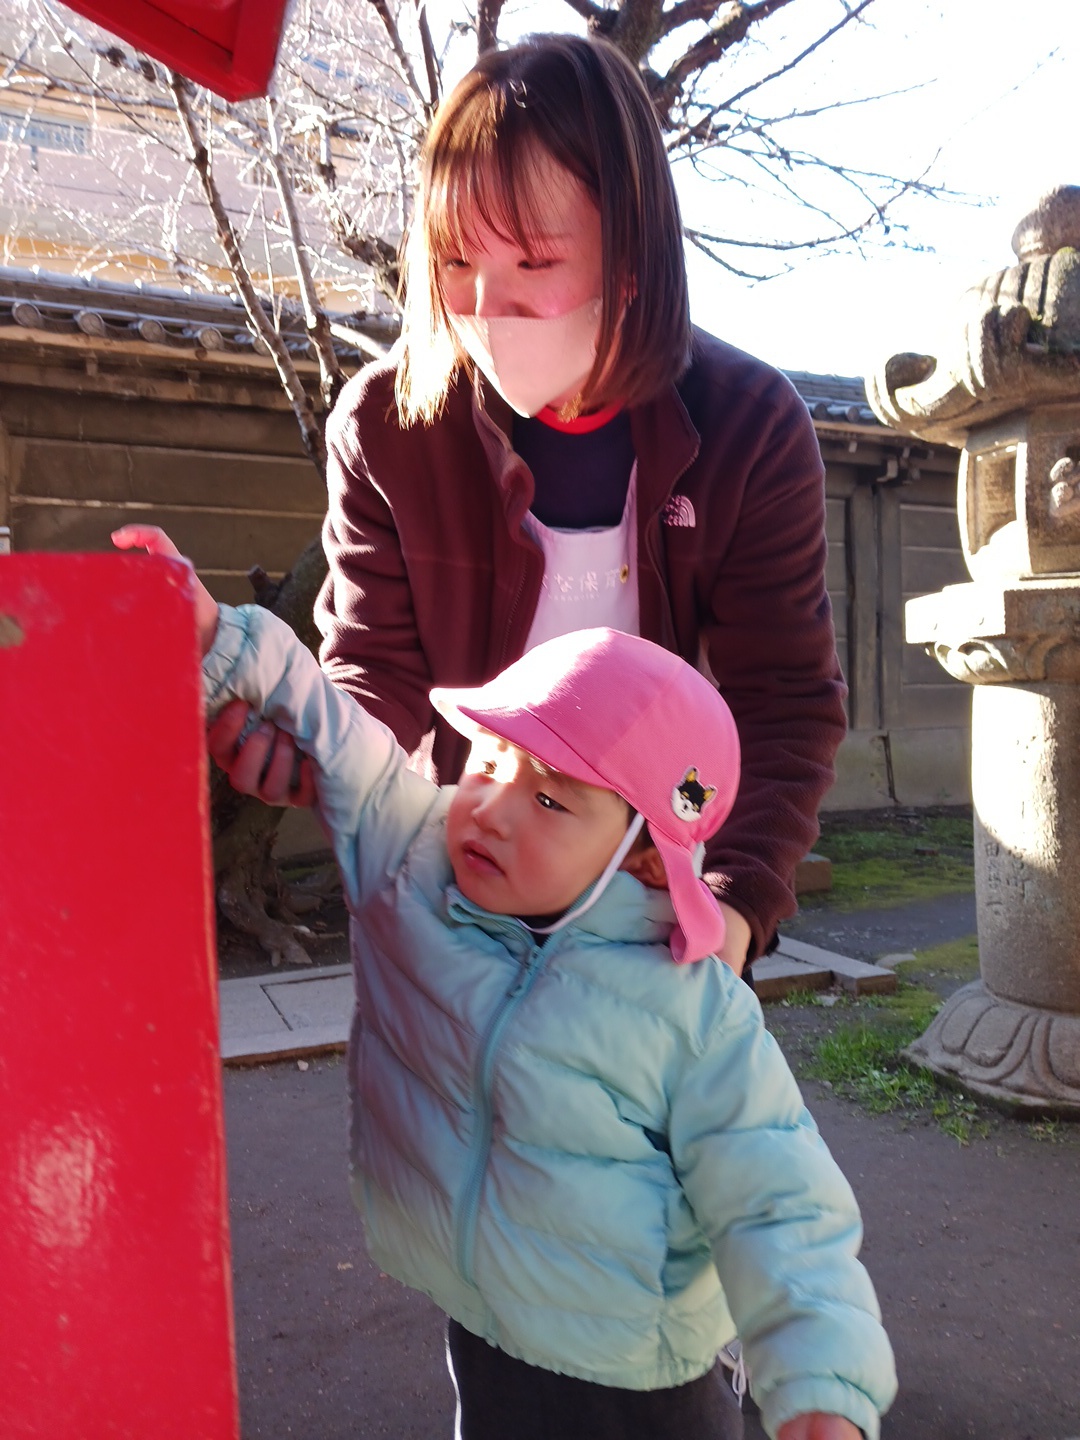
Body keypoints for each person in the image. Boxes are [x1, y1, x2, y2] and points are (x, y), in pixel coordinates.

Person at [114, 524, 895, 1440]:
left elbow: (777, 1198)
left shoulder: (690, 1006)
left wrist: (821, 1383)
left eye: (551, 797)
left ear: (644, 858)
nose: (490, 807)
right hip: (489, 1322)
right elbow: (337, 735)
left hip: (637, 1371)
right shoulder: (413, 867)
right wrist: (219, 636)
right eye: (488, 761)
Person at [208, 31, 848, 980]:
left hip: (657, 900)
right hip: (462, 886)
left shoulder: (748, 427)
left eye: (536, 263)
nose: (484, 303)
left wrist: (731, 906)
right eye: (455, 260)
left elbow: (782, 701)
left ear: (630, 257)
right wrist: (314, 744)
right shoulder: (389, 424)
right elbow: (376, 667)